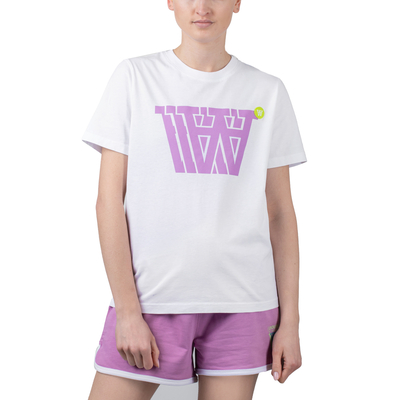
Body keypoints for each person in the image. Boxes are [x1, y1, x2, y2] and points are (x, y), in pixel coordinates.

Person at [82, 0, 306, 399]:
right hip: (152, 299)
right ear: (170, 1)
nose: (202, 7)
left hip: (244, 302)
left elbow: (280, 214)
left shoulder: (267, 91)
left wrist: (291, 321)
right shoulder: (135, 77)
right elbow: (108, 201)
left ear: (237, 2)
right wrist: (128, 311)